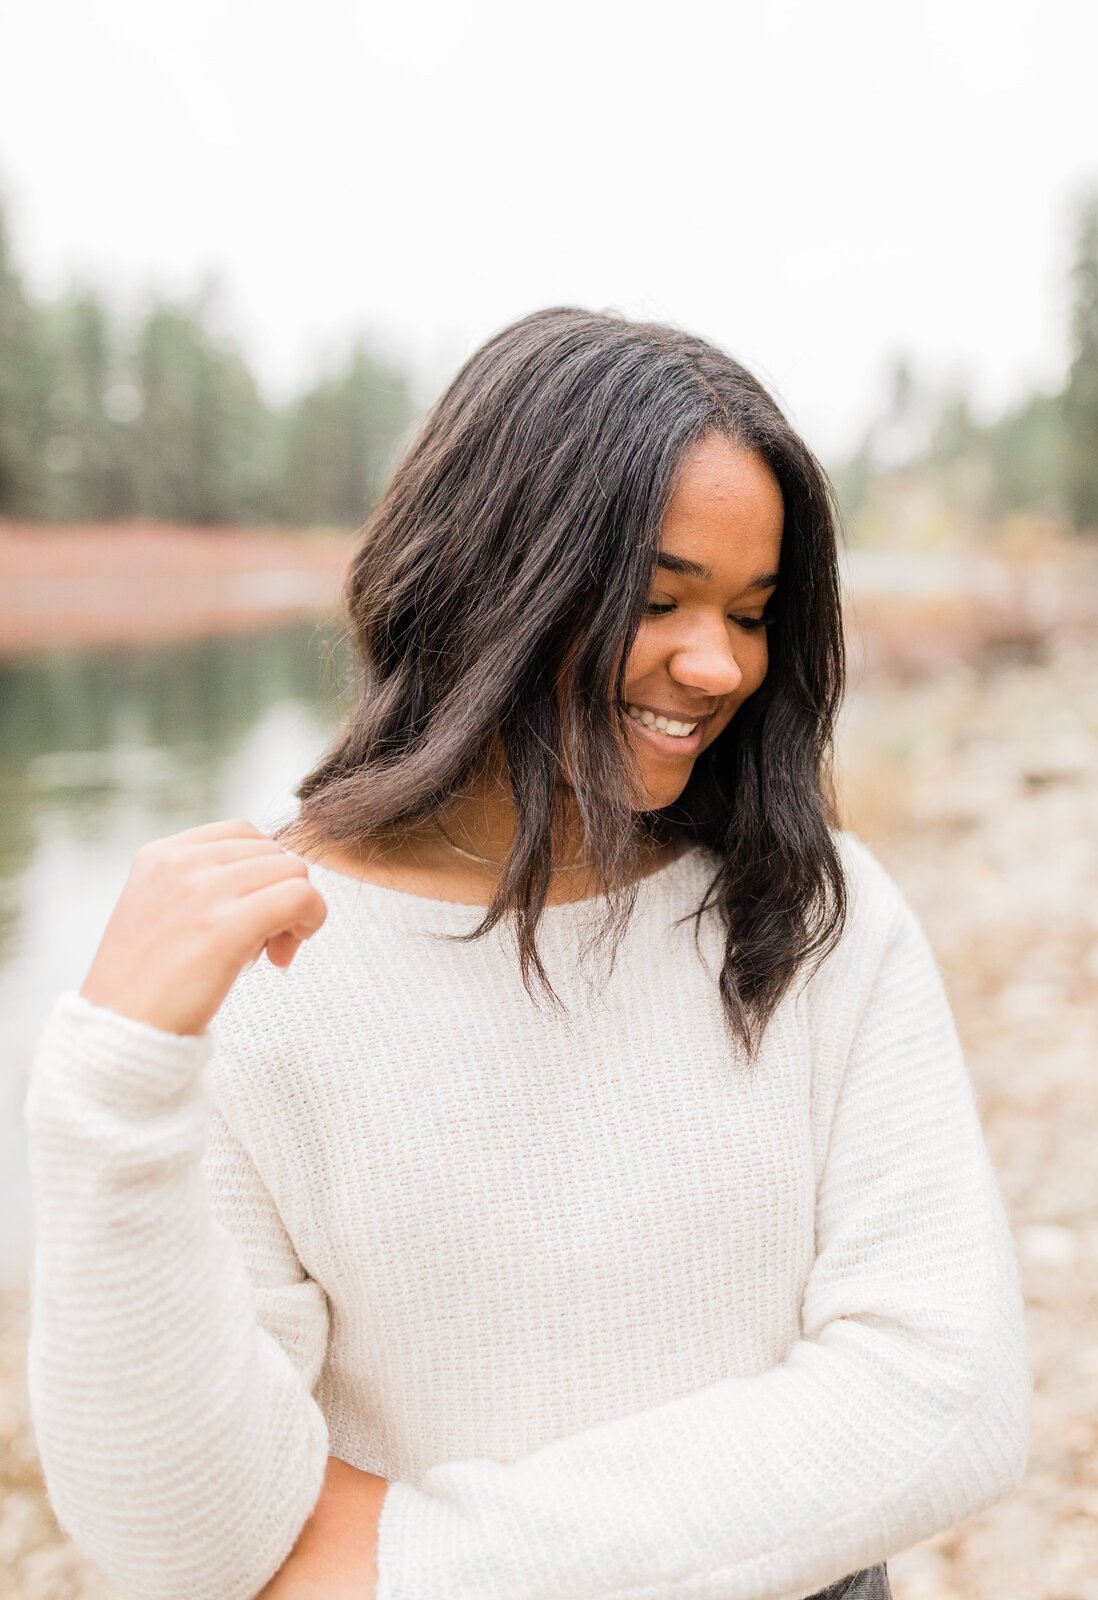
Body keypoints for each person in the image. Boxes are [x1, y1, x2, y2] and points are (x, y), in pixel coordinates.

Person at [23, 307, 1031, 1600]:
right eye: (659, 600)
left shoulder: (819, 916)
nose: (718, 664)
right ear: (497, 576)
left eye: (752, 610)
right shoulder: (262, 968)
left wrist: (414, 1559)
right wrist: (110, 1086)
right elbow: (180, 1542)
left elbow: (948, 1399)